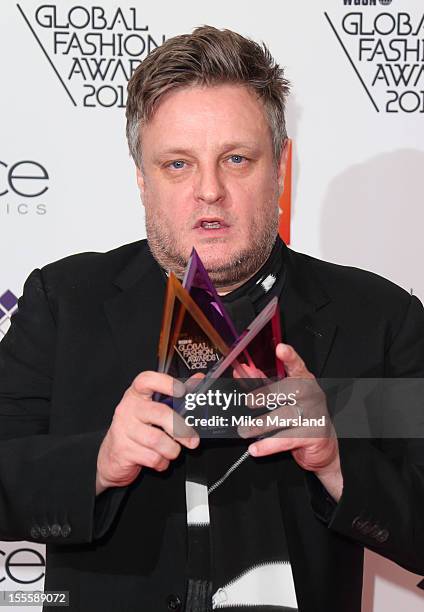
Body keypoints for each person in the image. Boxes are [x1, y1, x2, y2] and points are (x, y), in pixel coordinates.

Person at [0, 25, 423, 612]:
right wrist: (98, 462)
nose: (210, 190)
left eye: (236, 158)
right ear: (142, 182)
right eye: (177, 164)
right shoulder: (62, 302)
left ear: (280, 170)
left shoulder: (378, 318)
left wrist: (335, 458)